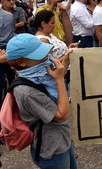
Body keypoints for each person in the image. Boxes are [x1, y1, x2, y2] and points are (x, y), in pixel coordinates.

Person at [6, 34, 75, 168]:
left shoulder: (38, 74)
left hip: (62, 140)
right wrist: (60, 79)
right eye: (39, 55)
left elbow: (53, 78)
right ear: (21, 62)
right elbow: (62, 115)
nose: (46, 56)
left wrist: (65, 62)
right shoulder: (26, 92)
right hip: (52, 150)